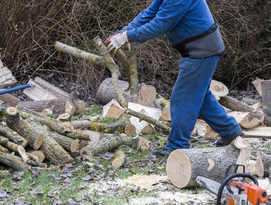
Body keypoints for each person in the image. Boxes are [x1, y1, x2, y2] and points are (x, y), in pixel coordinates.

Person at [104, 0, 243, 157]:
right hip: (201, 50)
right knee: (200, 97)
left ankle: (177, 146)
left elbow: (159, 25)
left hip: (202, 52)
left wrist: (127, 37)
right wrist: (122, 33)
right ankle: (231, 132)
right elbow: (148, 15)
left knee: (182, 98)